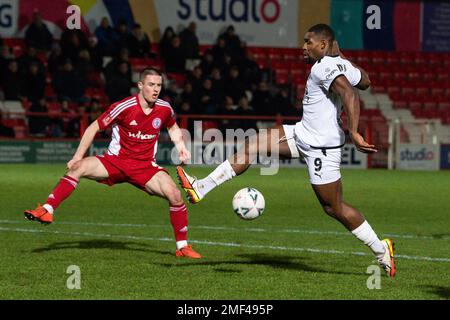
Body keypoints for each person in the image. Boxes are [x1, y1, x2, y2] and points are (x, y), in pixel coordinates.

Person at [177, 24, 396, 274]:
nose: (303, 47)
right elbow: (365, 81)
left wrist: (355, 132)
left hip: (321, 148)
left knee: (333, 208)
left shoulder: (325, 66)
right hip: (303, 133)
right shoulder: (340, 65)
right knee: (253, 144)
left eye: (308, 42)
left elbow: (351, 94)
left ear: (323, 45)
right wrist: (342, 57)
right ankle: (201, 187)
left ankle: (381, 250)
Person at [24, 67, 202, 259]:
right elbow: (94, 127)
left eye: (159, 85)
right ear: (140, 85)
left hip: (144, 167)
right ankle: (47, 209)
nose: (156, 89)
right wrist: (77, 156)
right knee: (78, 168)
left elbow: (173, 126)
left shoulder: (164, 108)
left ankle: (182, 247)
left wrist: (181, 146)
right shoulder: (123, 107)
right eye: (151, 85)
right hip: (115, 162)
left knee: (175, 195)